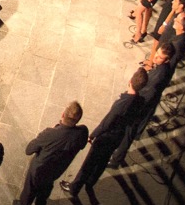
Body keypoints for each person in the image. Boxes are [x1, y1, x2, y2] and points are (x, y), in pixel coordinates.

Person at [61, 68, 149, 198]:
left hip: (107, 137)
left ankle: (75, 187)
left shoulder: (122, 104)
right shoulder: (140, 101)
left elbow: (107, 123)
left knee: (89, 162)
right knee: (103, 161)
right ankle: (91, 182)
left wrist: (93, 135)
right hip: (118, 137)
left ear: (130, 81)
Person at [13, 101, 87, 205]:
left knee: (29, 190)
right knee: (46, 187)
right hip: (56, 170)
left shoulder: (50, 134)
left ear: (63, 115)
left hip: (39, 170)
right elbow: (81, 145)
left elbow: (29, 150)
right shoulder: (82, 132)